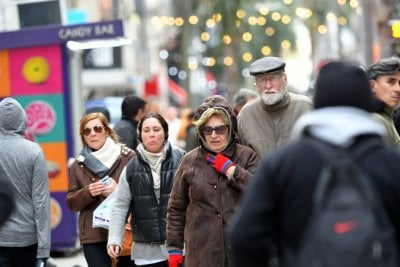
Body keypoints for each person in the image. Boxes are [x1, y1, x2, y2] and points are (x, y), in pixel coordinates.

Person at [229, 61, 400, 266]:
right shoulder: (391, 164)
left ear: (318, 104)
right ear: (366, 102)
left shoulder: (283, 164)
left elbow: (244, 235)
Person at [166, 95, 259, 267]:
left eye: (220, 129)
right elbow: (176, 209)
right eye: (208, 130)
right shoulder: (189, 161)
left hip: (240, 251)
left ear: (230, 128)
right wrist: (174, 248)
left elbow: (260, 193)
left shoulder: (246, 155)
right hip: (202, 253)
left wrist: (233, 171)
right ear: (201, 132)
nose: (214, 135)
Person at [107, 112, 185, 267]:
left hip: (180, 246)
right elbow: (120, 206)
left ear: (165, 132)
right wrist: (114, 239)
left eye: (156, 129)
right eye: (146, 130)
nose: (152, 135)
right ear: (140, 135)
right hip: (147, 252)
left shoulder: (182, 159)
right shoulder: (131, 167)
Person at [67, 112, 136, 267]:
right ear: (83, 136)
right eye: (87, 131)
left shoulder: (128, 157)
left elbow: (142, 193)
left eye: (97, 128)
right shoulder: (77, 165)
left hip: (125, 230)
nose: (93, 134)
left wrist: (119, 190)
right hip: (93, 234)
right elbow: (71, 203)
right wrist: (88, 192)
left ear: (106, 130)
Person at [0, 97, 50, 267]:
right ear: (23, 120)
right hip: (27, 238)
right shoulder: (34, 151)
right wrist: (44, 250)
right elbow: (41, 201)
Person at [237, 56, 313, 160]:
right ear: (256, 83)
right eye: (262, 80)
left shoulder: (305, 107)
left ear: (285, 79)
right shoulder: (246, 115)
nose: (268, 86)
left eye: (273, 78)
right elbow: (243, 161)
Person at [366, 57, 400, 148]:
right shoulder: (376, 120)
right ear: (372, 86)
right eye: (391, 82)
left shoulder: (387, 116)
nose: (398, 89)